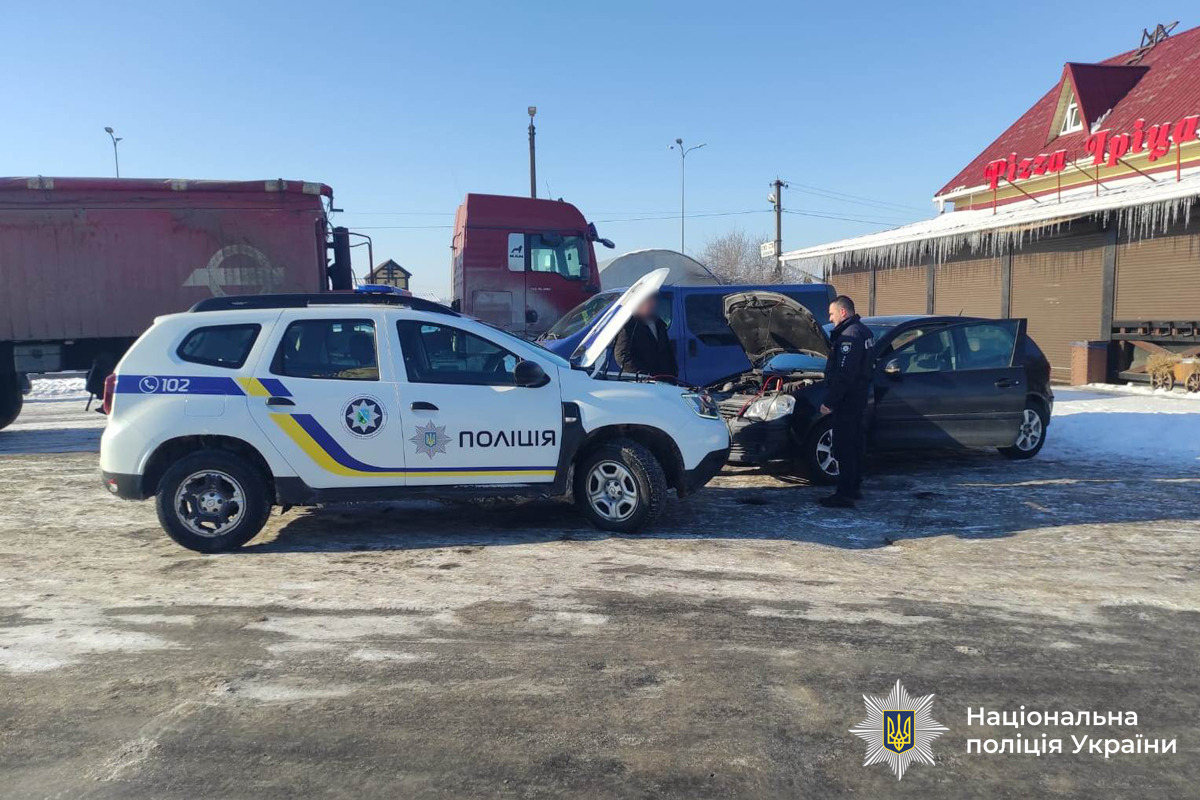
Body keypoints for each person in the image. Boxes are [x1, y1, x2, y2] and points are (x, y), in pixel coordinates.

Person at [818, 295, 874, 508]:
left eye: (832, 314)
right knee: (856, 444)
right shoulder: (864, 331)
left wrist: (830, 401)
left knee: (843, 446)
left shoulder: (849, 337)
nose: (830, 318)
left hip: (848, 400)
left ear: (843, 312)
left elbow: (844, 373)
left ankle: (844, 494)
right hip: (859, 397)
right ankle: (854, 486)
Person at [612, 294, 678, 378]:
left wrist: (673, 371)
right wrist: (642, 375)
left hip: (665, 378)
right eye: (648, 301)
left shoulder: (658, 323)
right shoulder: (629, 325)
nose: (653, 304)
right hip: (643, 382)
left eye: (654, 300)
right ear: (638, 302)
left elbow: (667, 350)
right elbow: (622, 356)